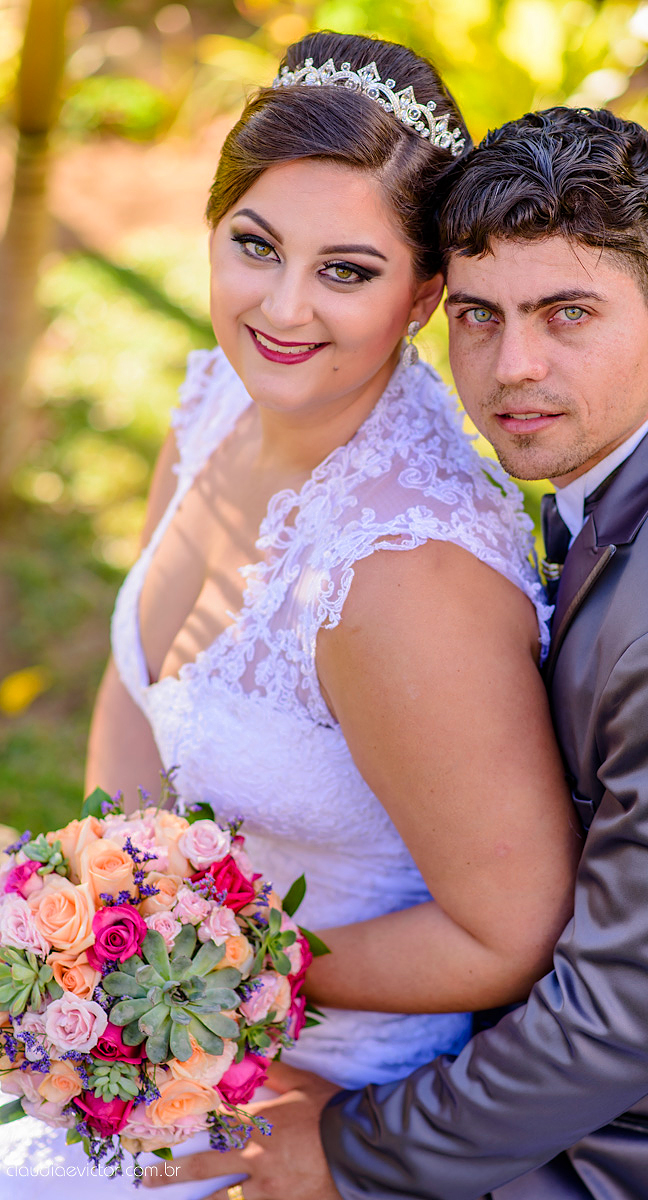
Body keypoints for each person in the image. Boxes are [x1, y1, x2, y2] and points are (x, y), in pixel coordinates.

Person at [164, 107, 648, 1199]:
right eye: (478, 315)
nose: (514, 369)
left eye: (566, 314)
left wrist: (347, 1151)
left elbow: (615, 1023)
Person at [0, 34, 582, 1200]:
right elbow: (139, 689)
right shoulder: (218, 396)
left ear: (423, 295)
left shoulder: (403, 573)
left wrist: (203, 972)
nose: (281, 307)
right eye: (255, 246)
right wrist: (94, 914)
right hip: (144, 1018)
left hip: (308, 1091)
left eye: (347, 271)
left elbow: (509, 931)